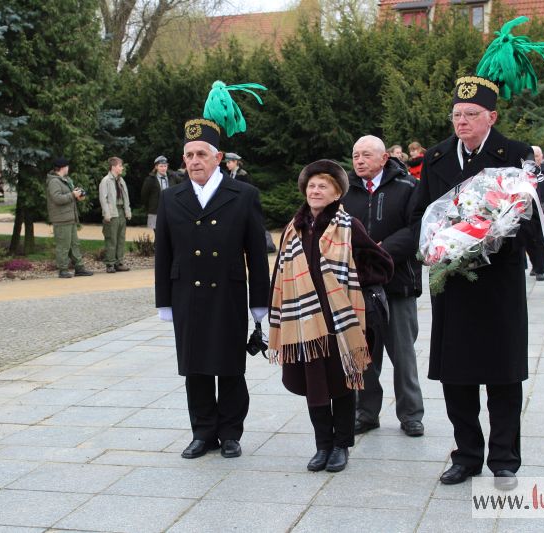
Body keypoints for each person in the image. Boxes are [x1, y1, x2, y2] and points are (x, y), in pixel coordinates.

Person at [411, 76, 535, 490]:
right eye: (456, 115)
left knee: (503, 375)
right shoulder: (437, 155)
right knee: (457, 376)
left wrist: (487, 238)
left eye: (470, 115)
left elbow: (525, 219)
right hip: (453, 284)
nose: (461, 122)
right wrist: (433, 245)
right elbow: (422, 212)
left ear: (491, 117)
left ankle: (504, 459)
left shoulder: (515, 154)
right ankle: (466, 455)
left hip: (498, 283)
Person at [155, 117, 269, 460]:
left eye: (201, 154)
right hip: (186, 292)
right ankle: (202, 432)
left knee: (230, 365)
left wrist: (260, 304)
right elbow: (163, 253)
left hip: (228, 292)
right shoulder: (171, 198)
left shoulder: (243, 195)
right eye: (188, 155)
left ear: (218, 158)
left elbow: (257, 254)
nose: (193, 161)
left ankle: (231, 432)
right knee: (195, 366)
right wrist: (164, 301)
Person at [268, 160, 393, 473]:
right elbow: (279, 275)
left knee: (342, 384)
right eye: (311, 185)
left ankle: (341, 446)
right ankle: (322, 445)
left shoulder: (349, 225)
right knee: (315, 387)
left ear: (337, 192)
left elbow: (382, 263)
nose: (315, 190)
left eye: (323, 185)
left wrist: (349, 278)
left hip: (340, 320)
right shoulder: (294, 229)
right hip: (305, 323)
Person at [342, 135, 425, 438]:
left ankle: (411, 414)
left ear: (384, 158)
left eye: (366, 155)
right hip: (359, 286)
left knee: (402, 354)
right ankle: (366, 412)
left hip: (397, 283)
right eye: (355, 155)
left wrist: (382, 249)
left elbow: (417, 229)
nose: (359, 160)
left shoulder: (407, 188)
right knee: (363, 354)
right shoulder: (346, 191)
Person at [45, 157, 94, 279]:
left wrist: (78, 193)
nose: (68, 168)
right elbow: (57, 198)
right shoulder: (54, 182)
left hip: (70, 217)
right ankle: (63, 270)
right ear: (62, 167)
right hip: (61, 219)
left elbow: (69, 195)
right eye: (67, 166)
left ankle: (79, 268)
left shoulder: (65, 180)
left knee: (74, 244)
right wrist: (72, 195)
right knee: (63, 245)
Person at [99, 156, 132, 273]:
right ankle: (110, 263)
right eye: (120, 165)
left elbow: (126, 197)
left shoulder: (121, 180)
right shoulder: (106, 181)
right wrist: (107, 214)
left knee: (121, 238)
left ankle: (119, 262)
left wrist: (127, 211)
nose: (122, 167)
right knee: (111, 239)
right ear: (113, 167)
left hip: (121, 211)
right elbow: (103, 199)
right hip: (112, 213)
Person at [523, 145, 544, 281]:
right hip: (528, 209)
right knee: (528, 240)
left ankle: (540, 269)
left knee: (540, 240)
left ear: (542, 157)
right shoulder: (524, 173)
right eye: (532, 156)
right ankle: (535, 264)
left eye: (537, 156)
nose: (534, 158)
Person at [142, 155, 177, 231]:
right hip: (155, 211)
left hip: (171, 210)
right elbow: (144, 196)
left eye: (165, 166)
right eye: (161, 166)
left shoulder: (172, 177)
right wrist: (150, 207)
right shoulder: (150, 179)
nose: (163, 168)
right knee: (158, 234)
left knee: (171, 232)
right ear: (156, 167)